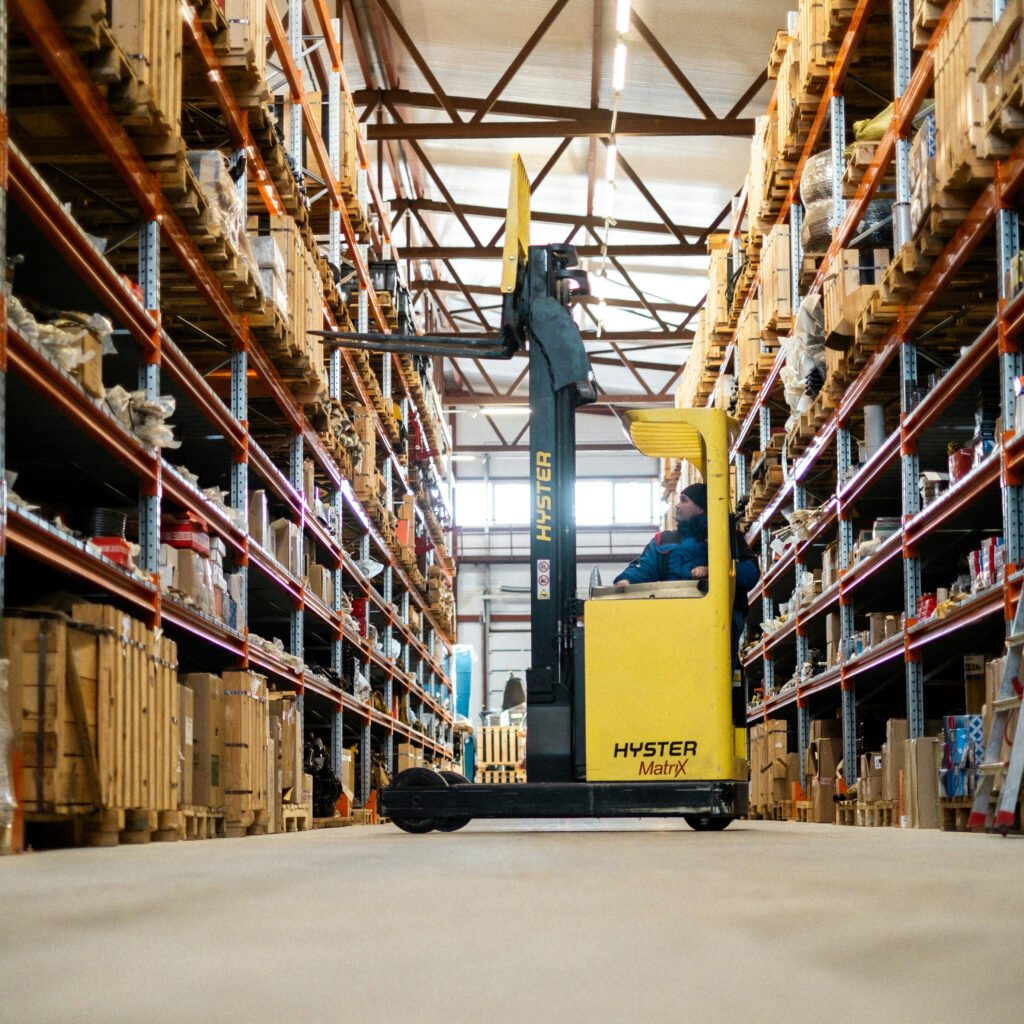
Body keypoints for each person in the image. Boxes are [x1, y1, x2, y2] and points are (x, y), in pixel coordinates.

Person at [614, 483, 760, 666]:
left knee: (715, 666)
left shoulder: (727, 537)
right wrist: (626, 581)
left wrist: (714, 572)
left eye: (684, 501)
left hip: (718, 617)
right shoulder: (664, 540)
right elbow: (644, 567)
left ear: (700, 508)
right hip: (673, 616)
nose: (677, 505)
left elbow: (751, 572)